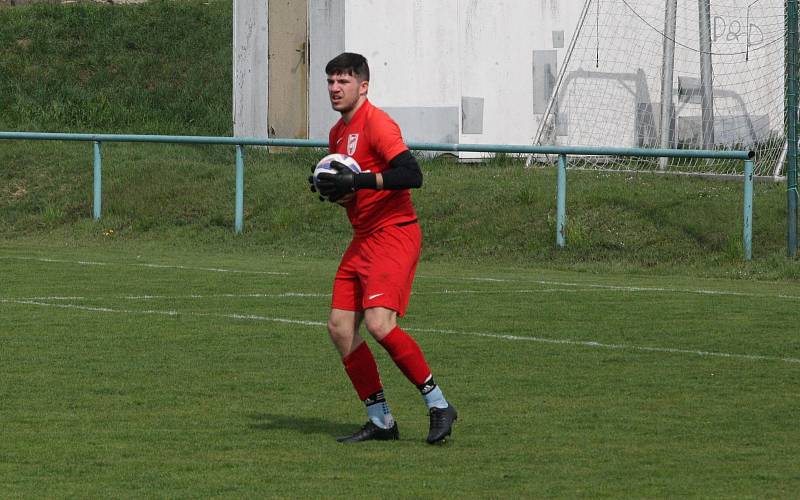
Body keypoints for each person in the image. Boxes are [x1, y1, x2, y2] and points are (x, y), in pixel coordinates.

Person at [308, 52, 457, 444]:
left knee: (379, 324)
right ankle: (382, 421)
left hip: (394, 233)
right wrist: (332, 189)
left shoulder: (377, 122)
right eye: (331, 81)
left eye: (344, 81)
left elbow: (412, 174)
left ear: (364, 85)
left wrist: (358, 183)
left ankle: (439, 405)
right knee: (340, 328)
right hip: (363, 239)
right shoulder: (337, 135)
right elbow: (351, 190)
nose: (335, 88)